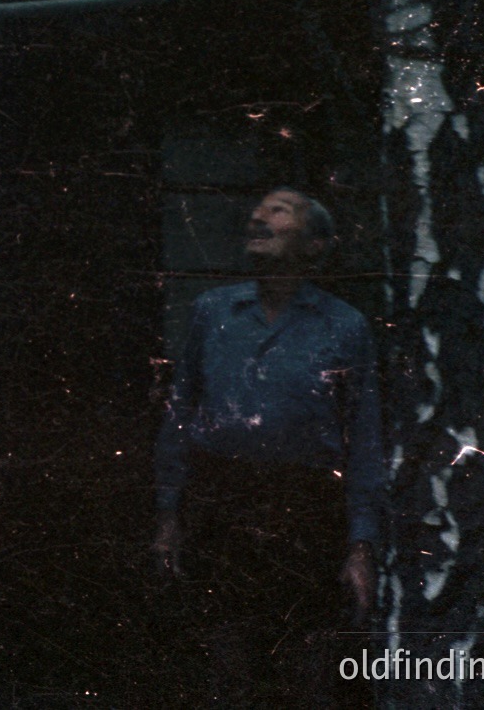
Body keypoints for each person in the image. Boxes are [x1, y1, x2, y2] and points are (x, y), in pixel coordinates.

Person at [151, 187, 384, 707]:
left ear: (315, 243)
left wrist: (361, 545)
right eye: (256, 208)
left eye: (278, 210)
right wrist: (168, 514)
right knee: (224, 659)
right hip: (222, 500)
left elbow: (364, 440)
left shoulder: (344, 326)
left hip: (306, 506)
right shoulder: (213, 311)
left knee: (307, 664)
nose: (256, 215)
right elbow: (180, 413)